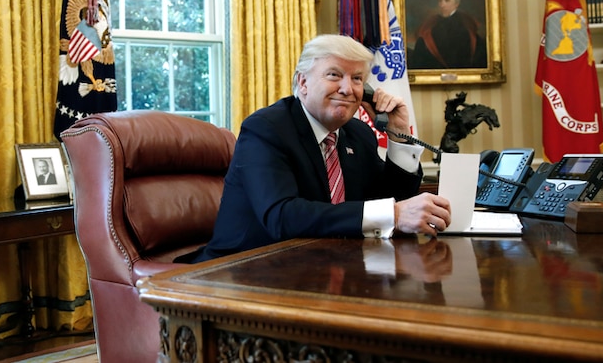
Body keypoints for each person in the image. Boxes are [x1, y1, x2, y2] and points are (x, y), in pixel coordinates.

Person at [188, 34, 452, 263]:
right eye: (334, 75)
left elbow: (392, 200)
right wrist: (392, 214)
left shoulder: (358, 134)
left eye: (358, 78)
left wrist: (400, 134)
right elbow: (282, 216)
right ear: (303, 83)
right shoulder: (266, 129)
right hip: (242, 270)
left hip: (324, 265)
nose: (348, 89)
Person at [410, 0, 487, 69]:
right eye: (440, 1)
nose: (442, 5)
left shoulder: (467, 26)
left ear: (457, 3)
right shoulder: (431, 25)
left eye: (447, 0)